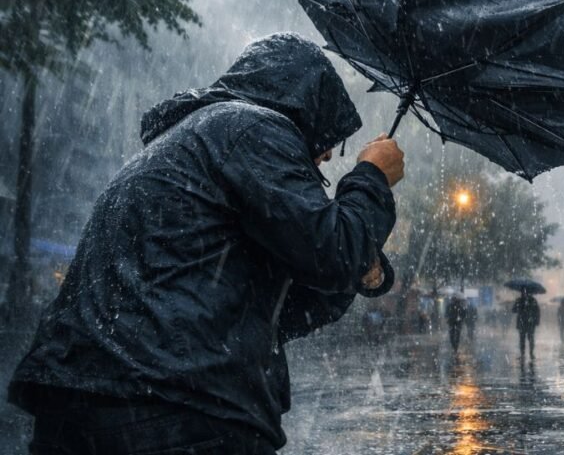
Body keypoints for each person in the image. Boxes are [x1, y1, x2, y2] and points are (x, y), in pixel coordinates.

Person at [8, 33, 405, 455]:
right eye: (327, 137)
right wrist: (372, 177)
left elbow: (268, 313)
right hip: (175, 408)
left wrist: (354, 270)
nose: (325, 156)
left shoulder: (195, 140)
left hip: (84, 402)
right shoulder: (252, 127)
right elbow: (331, 254)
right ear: (307, 105)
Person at [513, 290, 541, 360]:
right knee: (525, 339)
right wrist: (518, 306)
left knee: (527, 339)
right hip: (526, 323)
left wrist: (536, 321)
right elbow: (513, 310)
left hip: (528, 322)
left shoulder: (531, 300)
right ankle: (526, 354)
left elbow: (537, 311)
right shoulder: (521, 300)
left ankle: (528, 353)